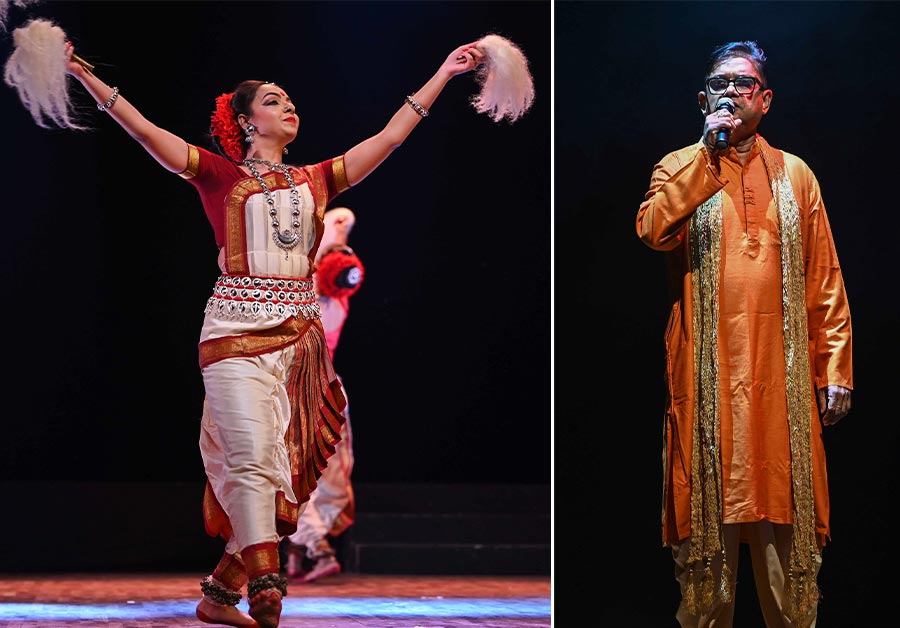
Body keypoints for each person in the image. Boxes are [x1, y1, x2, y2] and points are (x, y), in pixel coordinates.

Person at [63, 39, 487, 628]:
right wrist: (82, 74)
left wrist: (444, 71)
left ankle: (218, 595)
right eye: (272, 99)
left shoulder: (317, 180)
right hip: (234, 332)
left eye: (290, 98)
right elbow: (142, 132)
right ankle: (266, 585)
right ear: (245, 121)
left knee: (283, 472)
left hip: (298, 344)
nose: (288, 105)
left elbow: (389, 139)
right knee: (252, 460)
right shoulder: (217, 174)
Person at [635, 41, 853, 628]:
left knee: (790, 558)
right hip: (706, 384)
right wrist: (707, 157)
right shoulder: (679, 165)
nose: (731, 91)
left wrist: (835, 368)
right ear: (702, 98)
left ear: (766, 99)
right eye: (719, 82)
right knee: (707, 572)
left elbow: (823, 276)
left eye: (744, 82)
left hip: (782, 392)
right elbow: (653, 230)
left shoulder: (796, 175)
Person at [283, 206, 362, 584]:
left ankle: (311, 547)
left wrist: (335, 240)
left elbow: (339, 261)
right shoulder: (318, 283)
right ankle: (305, 550)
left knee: (310, 472)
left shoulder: (331, 283)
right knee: (305, 470)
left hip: (314, 382)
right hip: (312, 383)